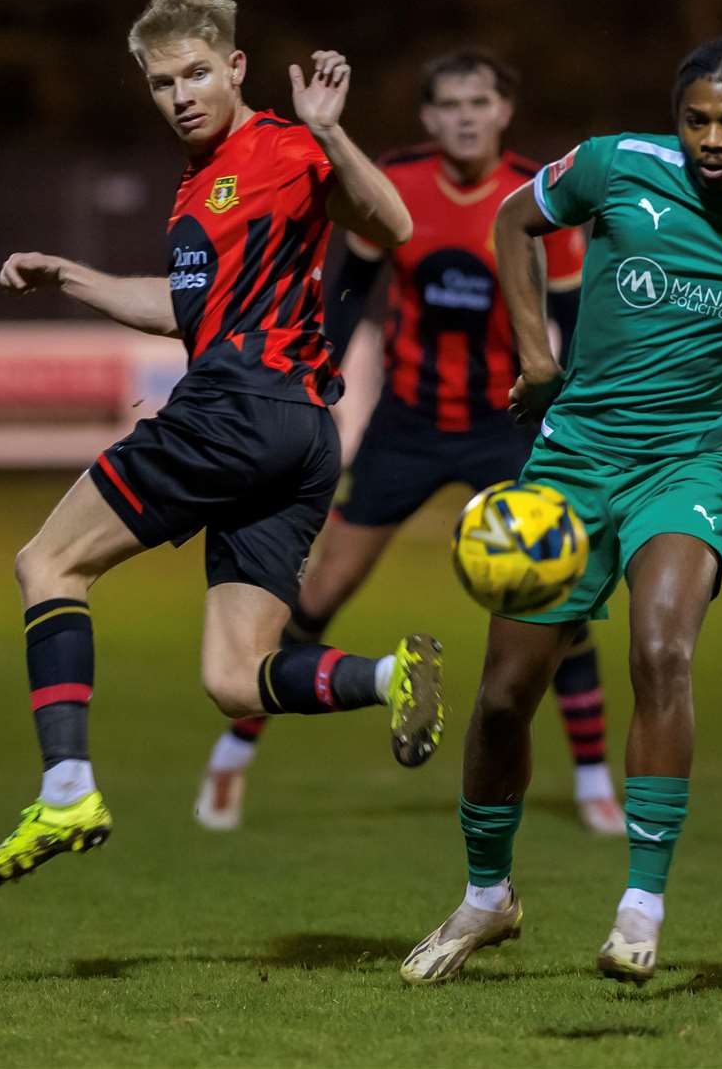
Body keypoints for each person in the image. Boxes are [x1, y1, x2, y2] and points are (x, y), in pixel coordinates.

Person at [0, 0, 444, 888]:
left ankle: (66, 788)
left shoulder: (281, 145)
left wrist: (333, 132)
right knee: (235, 676)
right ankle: (390, 677)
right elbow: (183, 309)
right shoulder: (200, 189)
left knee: (50, 565)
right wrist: (70, 275)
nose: (180, 94)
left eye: (195, 74)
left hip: (238, 410)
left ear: (236, 69)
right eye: (159, 83)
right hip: (302, 435)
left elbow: (393, 224)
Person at [400, 37, 722, 984]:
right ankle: (488, 898)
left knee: (661, 651)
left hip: (685, 470)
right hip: (571, 464)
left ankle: (640, 907)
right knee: (506, 695)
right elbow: (515, 222)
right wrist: (536, 356)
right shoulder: (614, 165)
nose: (711, 139)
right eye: (696, 119)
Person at [194, 50, 629, 837]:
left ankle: (596, 780)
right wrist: (313, 377)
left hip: (508, 426)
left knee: (559, 599)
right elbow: (346, 295)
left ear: (505, 111)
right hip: (408, 424)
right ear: (428, 119)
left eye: (480, 101)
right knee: (320, 593)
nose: (465, 115)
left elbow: (573, 320)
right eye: (449, 104)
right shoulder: (396, 179)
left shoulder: (544, 194)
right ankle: (230, 761)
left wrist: (573, 414)